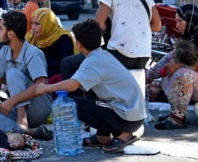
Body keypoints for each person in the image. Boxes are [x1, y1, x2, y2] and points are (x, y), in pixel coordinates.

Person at [36, 19, 146, 153]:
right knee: (90, 93)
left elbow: (71, 85)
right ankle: (103, 136)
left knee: (76, 105)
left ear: (79, 44)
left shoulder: (92, 62)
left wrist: (45, 87)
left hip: (128, 117)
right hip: (132, 114)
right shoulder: (101, 54)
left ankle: (124, 135)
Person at [61, 0, 161, 79]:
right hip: (143, 57)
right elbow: (157, 26)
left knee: (67, 64)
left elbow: (96, 27)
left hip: (118, 56)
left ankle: (89, 99)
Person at [0, 11, 53, 140]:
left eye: (1, 28)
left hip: (39, 108)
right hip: (16, 107)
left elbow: (41, 85)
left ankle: (21, 120)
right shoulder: (5, 50)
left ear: (11, 34)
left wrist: (12, 101)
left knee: (13, 74)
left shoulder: (32, 53)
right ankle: (28, 131)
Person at [146, 4, 198, 129]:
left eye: (180, 21)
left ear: (190, 20)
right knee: (170, 70)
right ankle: (176, 112)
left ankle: (177, 118)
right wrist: (149, 76)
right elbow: (169, 57)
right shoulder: (191, 40)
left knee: (183, 74)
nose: (176, 26)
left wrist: (181, 64)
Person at [26, 8, 77, 78]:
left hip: (57, 80)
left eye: (37, 24)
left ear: (47, 23)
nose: (33, 28)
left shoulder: (63, 38)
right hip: (34, 77)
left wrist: (41, 62)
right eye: (32, 23)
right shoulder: (31, 37)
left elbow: (65, 64)